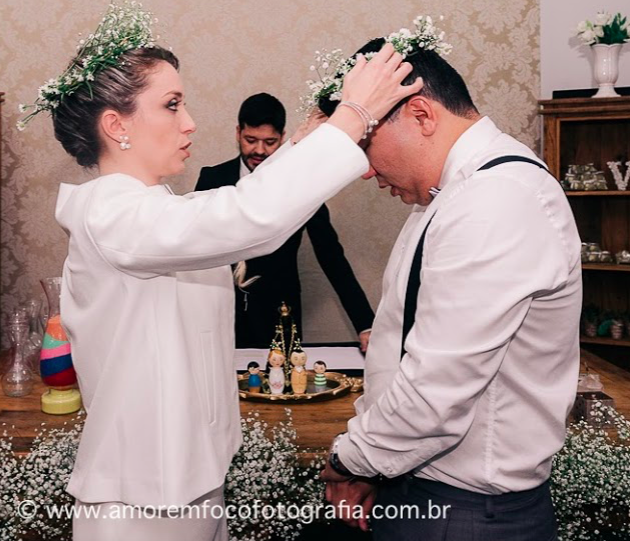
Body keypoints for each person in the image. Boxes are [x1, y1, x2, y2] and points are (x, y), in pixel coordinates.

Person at [18, 3, 422, 539]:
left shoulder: (152, 210)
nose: (189, 123)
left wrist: (301, 142)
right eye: (171, 105)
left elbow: (233, 206)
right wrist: (353, 119)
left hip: (194, 479)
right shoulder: (110, 214)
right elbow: (247, 218)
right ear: (116, 125)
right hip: (140, 501)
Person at [320, 37, 582, 541]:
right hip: (426, 487)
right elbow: (400, 351)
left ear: (421, 114)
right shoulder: (454, 196)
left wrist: (349, 459)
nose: (367, 170)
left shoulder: (496, 200)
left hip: (465, 513)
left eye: (366, 145)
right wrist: (375, 464)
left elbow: (434, 393)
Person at [195, 93, 375, 351]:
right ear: (238, 133)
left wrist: (364, 323)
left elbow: (331, 257)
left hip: (280, 313)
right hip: (221, 311)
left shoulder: (300, 184)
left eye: (269, 142)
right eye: (250, 140)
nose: (259, 150)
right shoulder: (212, 178)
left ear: (283, 137)